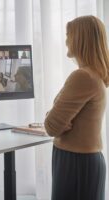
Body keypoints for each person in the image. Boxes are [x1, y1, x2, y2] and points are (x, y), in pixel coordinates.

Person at [44, 15, 108, 200]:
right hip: (81, 160)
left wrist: (55, 119)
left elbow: (51, 126)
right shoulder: (93, 75)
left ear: (80, 39)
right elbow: (57, 123)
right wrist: (59, 121)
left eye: (68, 35)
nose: (66, 41)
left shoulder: (83, 77)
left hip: (75, 163)